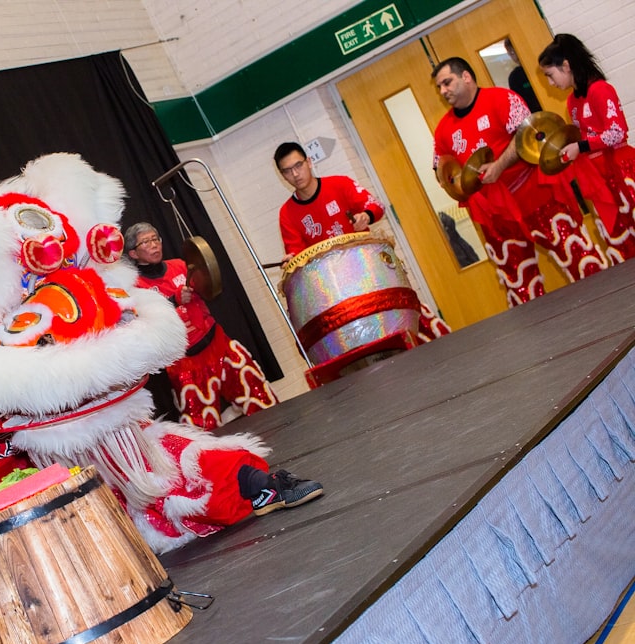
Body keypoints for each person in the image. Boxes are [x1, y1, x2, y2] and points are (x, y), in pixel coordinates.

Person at [431, 56, 607, 307]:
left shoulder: (502, 98)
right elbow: (441, 168)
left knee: (578, 255)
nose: (443, 91)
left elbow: (527, 134)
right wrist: (458, 182)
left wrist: (499, 165)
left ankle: (612, 308)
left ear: (466, 77)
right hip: (496, 214)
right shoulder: (443, 129)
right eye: (439, 87)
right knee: (519, 284)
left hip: (534, 194)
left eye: (447, 82)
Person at [273, 141, 451, 341]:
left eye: (298, 166)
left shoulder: (339, 184)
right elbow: (297, 255)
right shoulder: (287, 213)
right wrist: (292, 261)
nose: (295, 174)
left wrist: (366, 216)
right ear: (282, 175)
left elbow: (376, 206)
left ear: (309, 162)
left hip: (369, 273)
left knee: (406, 318)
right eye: (287, 171)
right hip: (334, 290)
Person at [125, 221, 279, 431]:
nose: (154, 245)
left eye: (155, 239)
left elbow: (210, 286)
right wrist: (174, 299)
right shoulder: (136, 288)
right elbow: (145, 320)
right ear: (133, 253)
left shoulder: (180, 265)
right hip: (185, 363)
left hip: (219, 345)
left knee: (261, 397)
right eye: (146, 242)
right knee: (202, 428)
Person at [539, 33, 635, 264]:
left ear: (566, 65)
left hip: (623, 172)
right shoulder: (572, 102)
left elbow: (617, 131)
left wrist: (581, 146)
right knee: (620, 245)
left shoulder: (600, 90)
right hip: (599, 178)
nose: (551, 83)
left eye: (550, 75)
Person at [504, 38, 542, 113]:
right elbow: (519, 103)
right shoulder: (515, 77)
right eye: (510, 53)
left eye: (513, 51)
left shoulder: (539, 66)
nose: (514, 55)